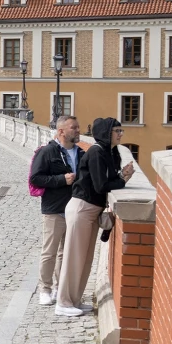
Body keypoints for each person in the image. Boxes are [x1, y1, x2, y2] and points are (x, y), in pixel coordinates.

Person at [55, 118, 134, 316]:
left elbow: (107, 180)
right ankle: (63, 303)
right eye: (117, 130)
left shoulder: (109, 152)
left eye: (121, 130)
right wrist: (123, 180)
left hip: (91, 210)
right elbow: (100, 185)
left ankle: (75, 300)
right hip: (82, 208)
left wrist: (121, 176)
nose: (120, 134)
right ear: (106, 132)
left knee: (85, 258)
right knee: (74, 258)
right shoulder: (97, 152)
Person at [29, 116, 83, 306]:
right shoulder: (47, 152)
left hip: (74, 210)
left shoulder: (81, 153)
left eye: (78, 127)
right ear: (61, 131)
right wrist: (61, 180)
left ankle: (61, 288)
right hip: (54, 209)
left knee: (65, 253)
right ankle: (45, 289)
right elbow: (35, 178)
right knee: (49, 252)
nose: (78, 130)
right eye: (73, 128)